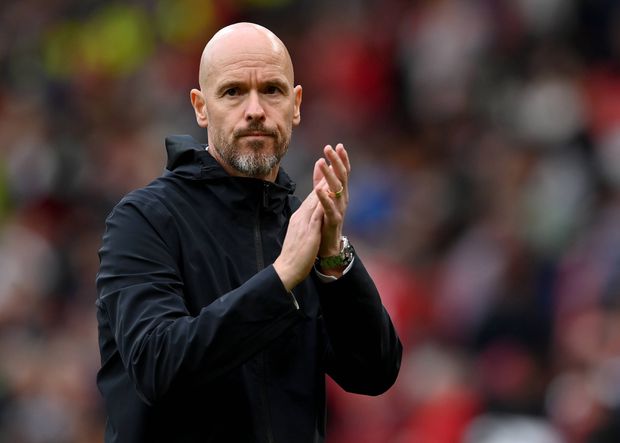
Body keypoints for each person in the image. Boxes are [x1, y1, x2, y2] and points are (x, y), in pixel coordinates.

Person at [95, 22, 402, 443]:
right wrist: (280, 279)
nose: (255, 109)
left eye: (272, 90)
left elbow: (374, 373)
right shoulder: (143, 220)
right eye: (233, 92)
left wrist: (334, 258)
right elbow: (156, 366)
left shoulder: (301, 226)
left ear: (295, 105)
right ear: (202, 107)